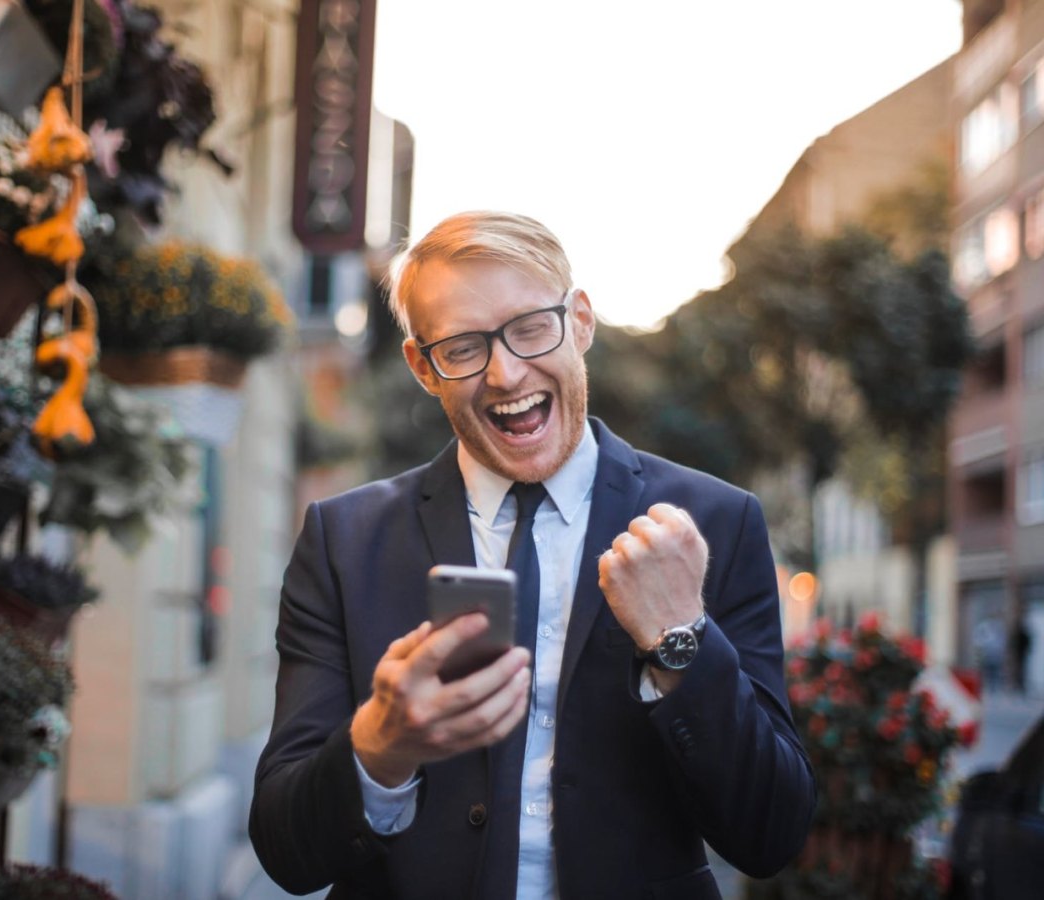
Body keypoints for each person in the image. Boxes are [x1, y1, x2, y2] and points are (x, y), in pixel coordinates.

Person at [249, 211, 817, 899]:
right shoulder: (342, 540)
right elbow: (286, 852)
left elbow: (769, 835)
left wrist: (681, 641)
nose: (505, 372)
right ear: (422, 367)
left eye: (530, 328)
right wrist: (380, 745)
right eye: (462, 347)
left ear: (580, 321)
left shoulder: (716, 525)